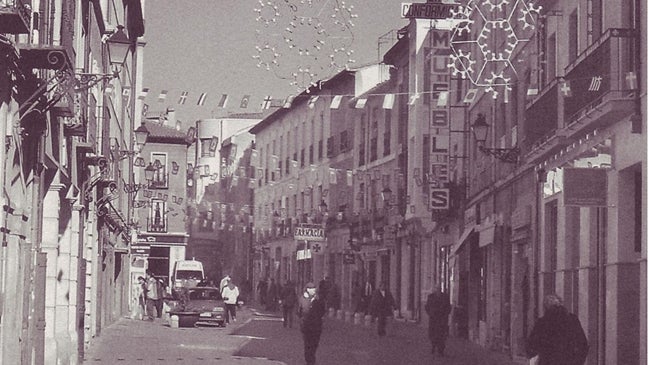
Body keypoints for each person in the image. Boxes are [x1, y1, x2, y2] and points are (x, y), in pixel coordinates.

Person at [526, 294, 589, 365]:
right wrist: (578, 362)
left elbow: (531, 347)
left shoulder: (542, 323)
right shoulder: (573, 320)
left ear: (546, 308)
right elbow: (583, 345)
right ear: (561, 305)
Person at [297, 282, 326, 365]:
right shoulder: (302, 299)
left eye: (314, 289)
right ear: (307, 289)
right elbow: (298, 311)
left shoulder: (319, 299)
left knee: (315, 344)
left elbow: (323, 311)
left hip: (317, 326)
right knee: (307, 344)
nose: (313, 290)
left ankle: (311, 357)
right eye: (311, 289)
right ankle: (310, 361)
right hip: (306, 326)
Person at [425, 284, 452, 357]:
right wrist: (430, 313)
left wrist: (445, 314)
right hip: (433, 319)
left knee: (442, 335)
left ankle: (441, 349)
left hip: (442, 320)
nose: (438, 290)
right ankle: (433, 345)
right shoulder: (430, 297)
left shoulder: (445, 297)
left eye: (439, 288)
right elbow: (427, 307)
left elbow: (448, 307)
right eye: (436, 288)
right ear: (435, 289)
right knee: (433, 334)